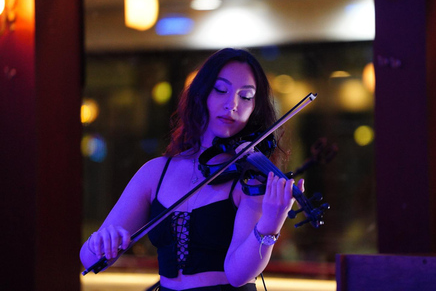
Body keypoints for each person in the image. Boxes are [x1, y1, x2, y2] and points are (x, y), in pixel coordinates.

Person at [80, 48, 305, 291]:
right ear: (202, 93)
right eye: (221, 90)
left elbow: (238, 274)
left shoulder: (249, 180)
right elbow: (89, 259)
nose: (232, 104)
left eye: (247, 96)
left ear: (255, 109)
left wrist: (271, 223)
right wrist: (101, 242)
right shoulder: (155, 173)